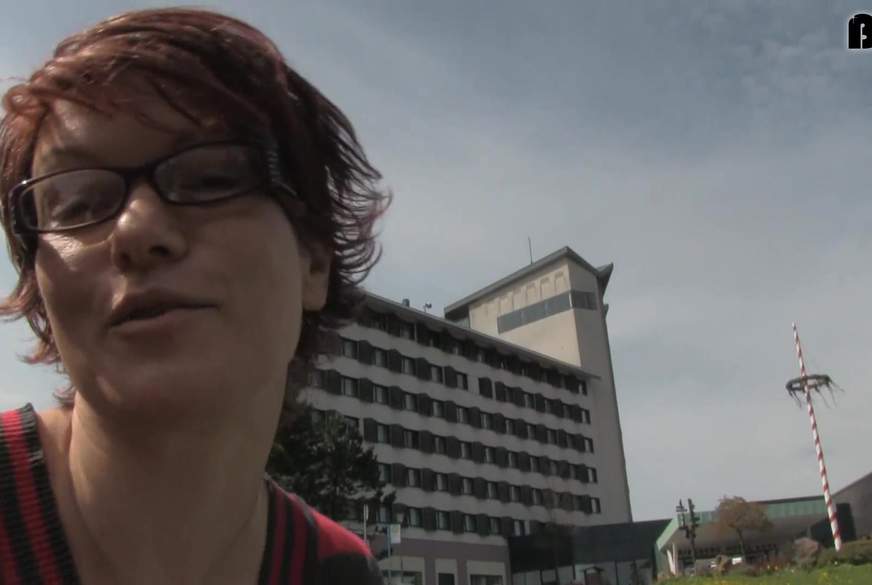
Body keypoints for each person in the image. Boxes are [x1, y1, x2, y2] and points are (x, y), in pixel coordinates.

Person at [0, 7, 389, 584]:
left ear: (314, 261)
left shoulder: (339, 571)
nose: (136, 230)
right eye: (77, 202)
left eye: (211, 178)